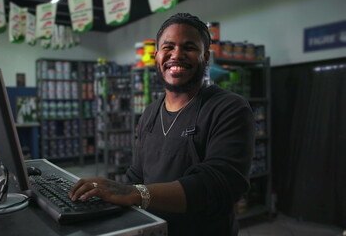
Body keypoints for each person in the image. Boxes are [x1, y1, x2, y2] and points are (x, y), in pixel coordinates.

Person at [69, 13, 255, 235]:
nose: (177, 55)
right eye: (168, 47)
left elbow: (218, 184)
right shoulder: (150, 113)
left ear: (205, 57)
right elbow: (137, 175)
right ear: (157, 56)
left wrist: (135, 194)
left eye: (189, 47)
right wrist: (103, 198)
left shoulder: (229, 108)